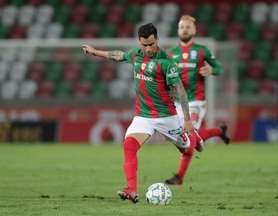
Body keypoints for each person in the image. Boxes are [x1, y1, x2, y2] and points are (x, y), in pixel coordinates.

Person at [82, 23, 201, 203]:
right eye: (144, 45)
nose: (148, 49)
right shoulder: (136, 55)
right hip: (143, 116)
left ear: (157, 40)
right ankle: (131, 190)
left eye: (151, 44)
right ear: (139, 42)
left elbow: (181, 91)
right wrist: (94, 51)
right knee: (129, 145)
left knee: (187, 147)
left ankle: (195, 138)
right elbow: (117, 55)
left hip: (167, 117)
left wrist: (187, 120)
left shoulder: (167, 63)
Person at [164, 15, 230, 185]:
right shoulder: (171, 53)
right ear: (178, 30)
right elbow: (165, 77)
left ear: (194, 30)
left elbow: (219, 68)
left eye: (187, 27)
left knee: (189, 134)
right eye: (181, 27)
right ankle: (218, 132)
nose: (184, 29)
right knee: (183, 136)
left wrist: (211, 70)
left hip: (196, 101)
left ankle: (179, 177)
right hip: (178, 103)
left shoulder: (202, 51)